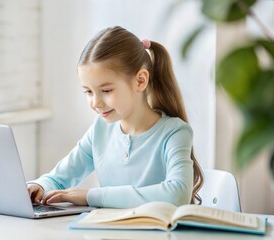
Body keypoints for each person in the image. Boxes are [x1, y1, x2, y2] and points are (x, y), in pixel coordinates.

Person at [27, 26, 204, 208]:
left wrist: (91, 196)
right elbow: (60, 177)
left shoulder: (174, 132)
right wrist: (39, 185)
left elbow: (178, 194)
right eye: (88, 91)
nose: (96, 102)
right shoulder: (100, 130)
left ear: (140, 80)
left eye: (106, 90)